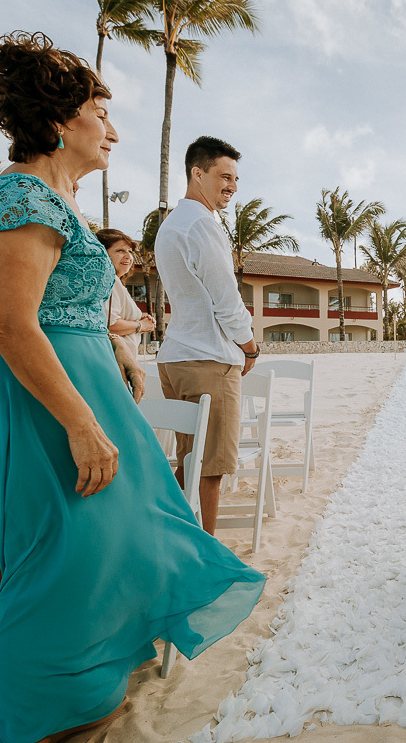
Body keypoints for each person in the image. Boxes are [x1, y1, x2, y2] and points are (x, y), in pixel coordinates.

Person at [0, 32, 266, 743]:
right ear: (64, 121)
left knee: (100, 541)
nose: (116, 131)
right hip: (38, 396)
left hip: (77, 386)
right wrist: (80, 421)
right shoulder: (21, 195)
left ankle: (88, 682)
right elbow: (7, 322)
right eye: (103, 113)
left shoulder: (46, 197)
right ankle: (46, 717)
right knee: (53, 556)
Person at [155, 135, 259, 534]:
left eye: (236, 179)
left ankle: (183, 541)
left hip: (176, 357)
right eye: (224, 176)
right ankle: (206, 550)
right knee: (210, 465)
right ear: (197, 173)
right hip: (207, 359)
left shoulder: (171, 225)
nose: (231, 186)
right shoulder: (201, 224)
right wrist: (249, 347)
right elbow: (226, 300)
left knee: (189, 457)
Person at [96, 228, 155, 361]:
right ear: (103, 253)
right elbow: (109, 325)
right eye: (120, 251)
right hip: (115, 360)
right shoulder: (110, 280)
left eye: (130, 251)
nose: (129, 256)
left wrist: (138, 320)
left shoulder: (113, 281)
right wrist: (140, 325)